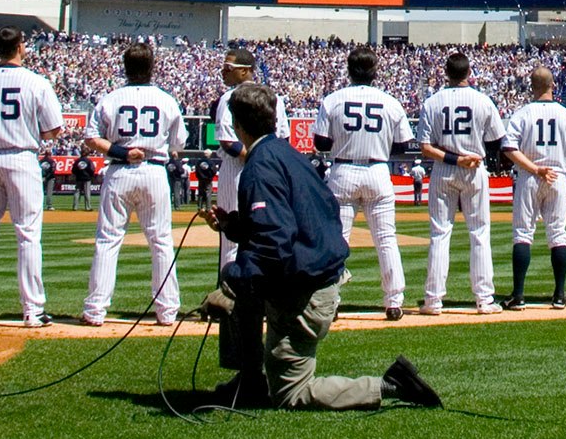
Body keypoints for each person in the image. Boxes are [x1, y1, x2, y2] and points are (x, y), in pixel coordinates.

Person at [204, 82, 442, 411]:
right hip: (315, 278)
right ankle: (249, 380)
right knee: (237, 276)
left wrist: (231, 289)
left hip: (307, 295)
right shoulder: (288, 156)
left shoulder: (258, 166)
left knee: (291, 394)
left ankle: (390, 385)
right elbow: (293, 222)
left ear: (237, 125)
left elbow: (274, 239)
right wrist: (234, 227)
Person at [0, 27, 64, 327]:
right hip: (21, 156)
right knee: (28, 235)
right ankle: (32, 310)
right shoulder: (36, 82)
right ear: (20, 47)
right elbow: (53, 129)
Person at [81, 42, 185, 327]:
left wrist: (121, 152)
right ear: (152, 68)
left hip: (120, 170)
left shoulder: (110, 98)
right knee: (161, 241)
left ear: (125, 68)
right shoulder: (166, 99)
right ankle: (167, 311)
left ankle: (95, 310)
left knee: (108, 241)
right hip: (154, 170)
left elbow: (91, 138)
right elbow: (178, 143)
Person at [312, 46, 415, 320]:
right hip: (377, 170)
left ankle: (330, 300)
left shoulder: (333, 99)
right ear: (375, 71)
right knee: (386, 239)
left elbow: (320, 142)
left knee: (338, 240)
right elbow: (405, 145)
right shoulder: (390, 101)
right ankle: (394, 301)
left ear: (349, 69)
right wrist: (378, 146)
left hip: (343, 169)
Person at [418, 51, 506, 315]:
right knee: (479, 233)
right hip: (474, 167)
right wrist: (470, 156)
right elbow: (497, 141)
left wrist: (455, 158)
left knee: (439, 234)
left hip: (444, 168)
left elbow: (424, 147)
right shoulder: (482, 100)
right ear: (469, 73)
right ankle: (484, 299)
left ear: (446, 73)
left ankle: (433, 301)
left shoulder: (432, 102)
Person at [500, 65, 566, 310]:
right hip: (556, 175)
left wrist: (535, 169)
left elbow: (509, 148)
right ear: (552, 85)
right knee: (558, 234)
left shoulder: (522, 114)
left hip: (529, 175)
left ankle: (519, 295)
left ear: (532, 86)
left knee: (523, 234)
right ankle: (558, 295)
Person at [214, 47, 290, 272]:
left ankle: (235, 294)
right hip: (265, 169)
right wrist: (267, 160)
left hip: (238, 170)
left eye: (228, 68)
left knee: (232, 234)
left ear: (246, 71)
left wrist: (258, 158)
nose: (223, 72)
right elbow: (282, 140)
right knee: (262, 228)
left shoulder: (229, 98)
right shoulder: (273, 96)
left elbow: (229, 143)